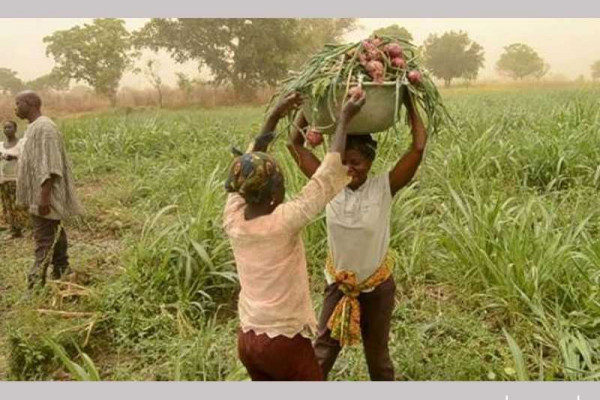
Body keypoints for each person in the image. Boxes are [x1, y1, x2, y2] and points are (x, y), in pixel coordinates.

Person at [223, 90, 366, 381]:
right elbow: (325, 180)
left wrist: (274, 116)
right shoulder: (283, 222)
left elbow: (248, 163)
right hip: (282, 341)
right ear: (275, 193)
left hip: (248, 338)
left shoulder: (234, 217)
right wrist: (343, 121)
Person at [287, 92, 427, 381]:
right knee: (320, 356)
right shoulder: (329, 185)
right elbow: (294, 144)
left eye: (357, 163)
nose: (350, 170)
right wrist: (308, 103)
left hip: (377, 289)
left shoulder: (383, 188)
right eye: (344, 163)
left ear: (370, 162)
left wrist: (409, 101)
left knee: (378, 362)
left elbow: (417, 148)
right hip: (338, 286)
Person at [14, 91, 83, 289]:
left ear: (31, 104)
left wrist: (44, 198)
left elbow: (51, 166)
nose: (15, 108)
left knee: (43, 239)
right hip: (39, 193)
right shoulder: (33, 127)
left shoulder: (46, 128)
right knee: (54, 230)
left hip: (45, 195)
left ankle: (35, 284)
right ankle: (62, 269)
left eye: (18, 103)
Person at [0, 120, 28, 237]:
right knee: (7, 205)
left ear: (15, 129)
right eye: (5, 128)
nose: (7, 130)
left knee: (19, 204)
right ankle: (14, 229)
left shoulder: (21, 143)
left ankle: (25, 228)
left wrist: (13, 156)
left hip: (16, 178)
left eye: (10, 127)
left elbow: (25, 158)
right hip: (3, 179)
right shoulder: (1, 145)